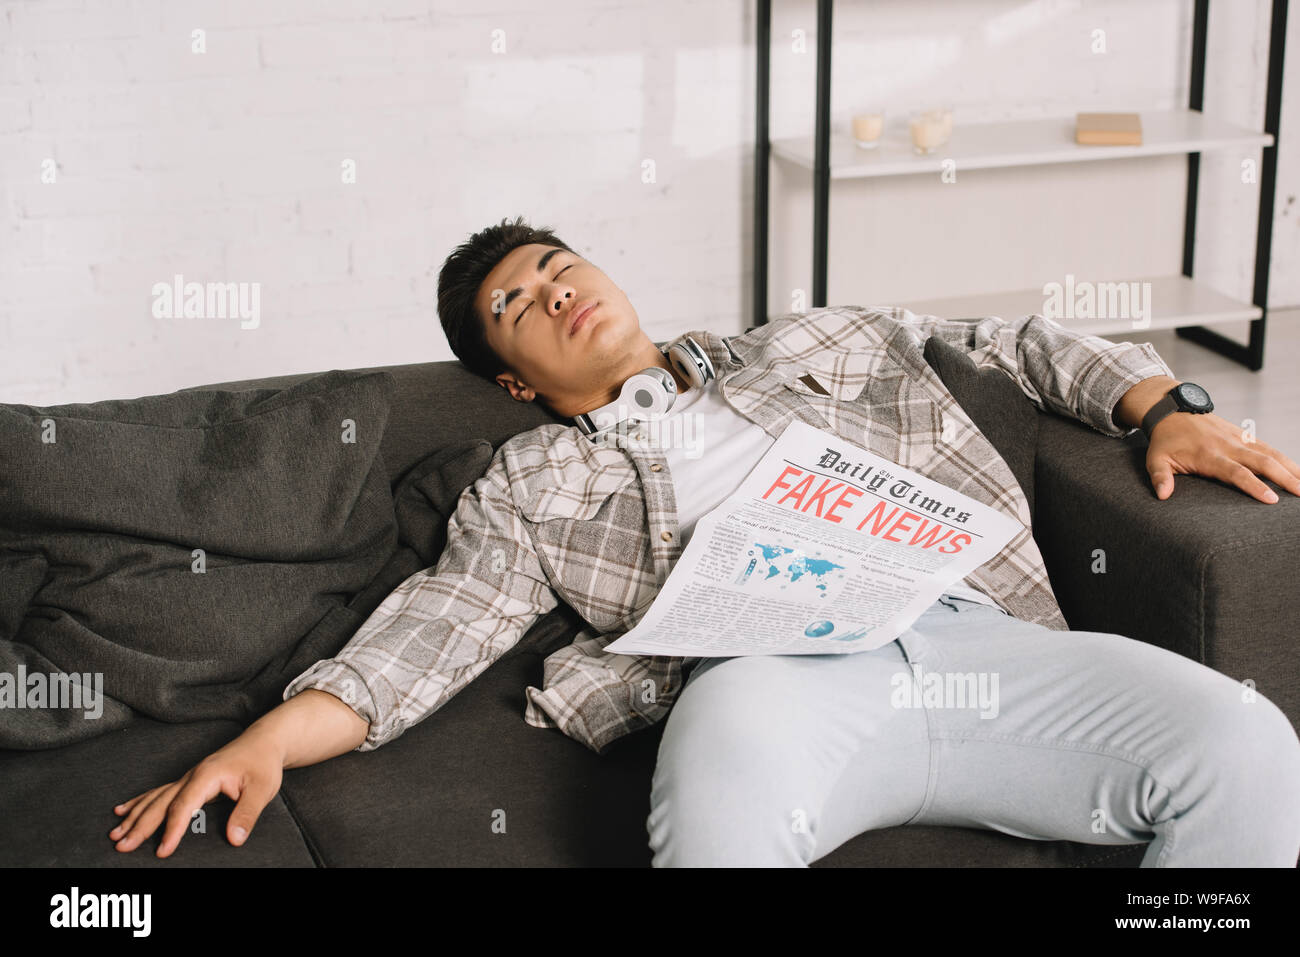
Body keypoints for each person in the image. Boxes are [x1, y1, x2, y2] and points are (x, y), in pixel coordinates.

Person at [111, 216, 1300, 866]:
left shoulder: (819, 340)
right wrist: (269, 739)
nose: (552, 289)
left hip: (982, 637)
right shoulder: (531, 481)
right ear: (516, 385)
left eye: (554, 265)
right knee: (722, 814)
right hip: (763, 684)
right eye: (514, 306)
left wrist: (1165, 409)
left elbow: (1022, 342)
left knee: (1248, 747)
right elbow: (434, 630)